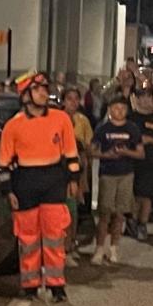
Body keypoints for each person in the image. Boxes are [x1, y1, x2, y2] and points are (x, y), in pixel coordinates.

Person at [0, 73, 82, 302]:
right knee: (28, 238)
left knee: (55, 234)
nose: (44, 93)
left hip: (54, 179)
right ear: (25, 96)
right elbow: (3, 164)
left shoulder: (61, 118)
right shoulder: (13, 126)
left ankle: (57, 285)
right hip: (25, 181)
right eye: (38, 90)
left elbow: (71, 154)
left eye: (45, 89)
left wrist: (73, 181)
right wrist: (9, 192)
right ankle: (30, 284)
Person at [91, 97, 143, 265]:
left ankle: (114, 248)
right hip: (107, 174)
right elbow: (91, 151)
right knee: (105, 212)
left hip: (126, 174)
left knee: (120, 213)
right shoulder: (103, 128)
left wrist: (127, 152)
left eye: (122, 108)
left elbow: (141, 153)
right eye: (116, 108)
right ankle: (99, 248)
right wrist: (106, 155)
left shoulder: (132, 129)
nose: (119, 111)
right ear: (110, 110)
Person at [127, 79, 153, 241]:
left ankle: (143, 222)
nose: (146, 99)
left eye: (148, 96)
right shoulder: (131, 117)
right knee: (135, 194)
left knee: (148, 195)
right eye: (142, 96)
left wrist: (149, 140)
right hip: (133, 160)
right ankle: (132, 222)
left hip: (150, 160)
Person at [63, 86, 96, 262]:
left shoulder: (82, 121)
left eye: (76, 99)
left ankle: (71, 243)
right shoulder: (57, 119)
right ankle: (63, 247)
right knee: (64, 211)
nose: (73, 102)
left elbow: (88, 147)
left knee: (74, 210)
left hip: (78, 170)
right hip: (61, 171)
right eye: (70, 98)